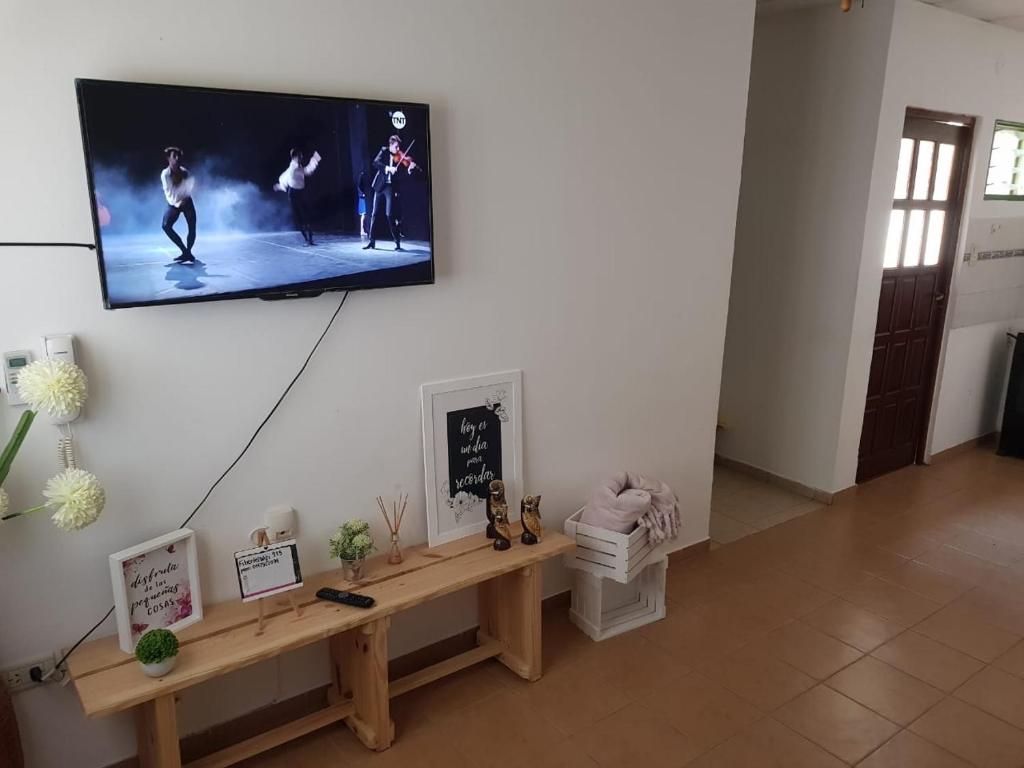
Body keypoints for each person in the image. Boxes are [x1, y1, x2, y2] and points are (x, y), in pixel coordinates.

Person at [364, 135, 416, 251]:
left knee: (389, 215)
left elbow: (401, 174)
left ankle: (397, 242)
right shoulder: (384, 151)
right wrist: (388, 168)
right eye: (396, 147)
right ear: (390, 145)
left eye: (399, 147)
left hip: (390, 187)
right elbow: (375, 163)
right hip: (380, 186)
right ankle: (372, 242)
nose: (398, 150)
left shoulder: (399, 157)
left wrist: (409, 170)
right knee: (374, 214)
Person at [274, 149, 321, 245]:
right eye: (300, 156)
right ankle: (308, 240)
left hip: (299, 192)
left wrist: (281, 185)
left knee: (305, 216)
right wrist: (314, 160)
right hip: (294, 193)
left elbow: (303, 173)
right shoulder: (294, 167)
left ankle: (309, 240)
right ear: (295, 157)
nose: (302, 157)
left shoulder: (296, 166)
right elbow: (307, 171)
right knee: (300, 217)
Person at [160, 147, 197, 263]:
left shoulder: (185, 173)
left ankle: (188, 251)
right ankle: (184, 251)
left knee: (192, 227)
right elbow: (170, 192)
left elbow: (190, 187)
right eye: (174, 156)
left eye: (178, 156)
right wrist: (177, 204)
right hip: (173, 203)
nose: (177, 159)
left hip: (186, 202)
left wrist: (184, 199)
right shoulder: (165, 174)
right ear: (168, 159)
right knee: (166, 226)